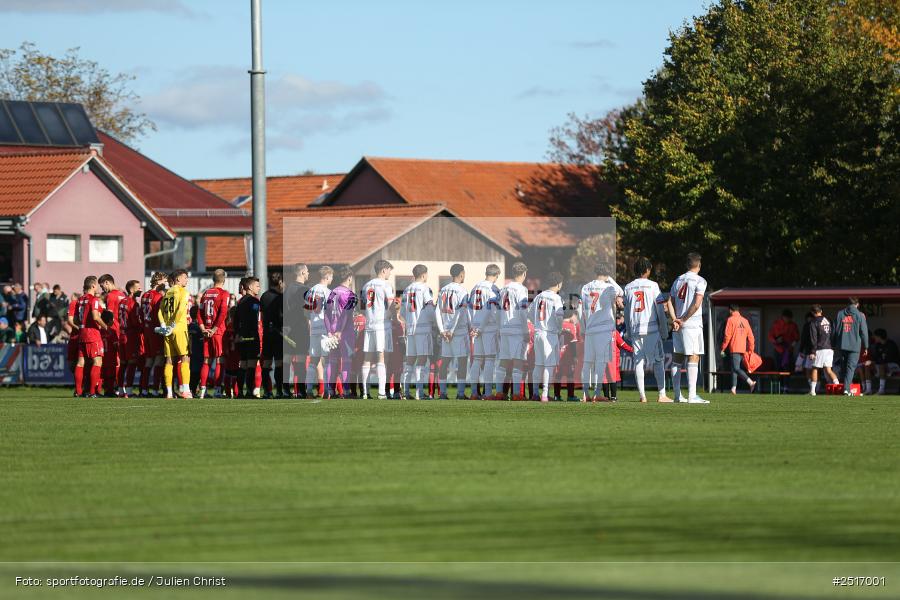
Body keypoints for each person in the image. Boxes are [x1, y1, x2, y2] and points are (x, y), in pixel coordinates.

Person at [623, 257, 672, 403]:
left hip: (635, 329)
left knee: (638, 362)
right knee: (658, 361)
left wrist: (628, 331)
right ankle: (662, 395)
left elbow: (626, 312)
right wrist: (664, 330)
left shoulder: (628, 287)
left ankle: (642, 396)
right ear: (647, 270)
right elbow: (660, 310)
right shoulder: (653, 286)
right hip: (652, 329)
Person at [666, 252, 709, 404]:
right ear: (699, 265)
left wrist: (675, 320)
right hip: (691, 324)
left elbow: (669, 301)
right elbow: (696, 304)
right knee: (694, 356)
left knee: (677, 358)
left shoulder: (678, 280)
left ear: (686, 265)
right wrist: (683, 319)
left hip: (678, 324)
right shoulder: (700, 280)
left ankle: (677, 396)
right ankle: (692, 395)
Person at [578, 262, 623, 402]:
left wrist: (583, 328)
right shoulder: (609, 287)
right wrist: (610, 279)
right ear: (607, 273)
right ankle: (597, 394)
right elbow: (621, 292)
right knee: (600, 362)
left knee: (587, 363)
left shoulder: (585, 287)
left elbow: (580, 310)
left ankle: (585, 394)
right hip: (603, 329)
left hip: (590, 329)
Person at [491, 262, 530, 400]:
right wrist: (526, 331)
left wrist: (499, 327)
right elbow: (523, 312)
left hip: (504, 328)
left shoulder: (503, 289)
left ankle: (499, 392)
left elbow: (497, 311)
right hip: (516, 329)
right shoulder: (522, 289)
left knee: (503, 361)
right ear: (524, 274)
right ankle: (516, 394)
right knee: (518, 361)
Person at [399, 264, 435, 400]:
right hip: (423, 328)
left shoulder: (406, 290)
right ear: (424, 275)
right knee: (422, 359)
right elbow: (430, 309)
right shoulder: (425, 288)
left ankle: (405, 391)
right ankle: (419, 392)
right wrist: (434, 322)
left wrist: (409, 320)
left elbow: (402, 312)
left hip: (410, 329)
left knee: (410, 360)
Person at [360, 260, 395, 399]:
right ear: (384, 270)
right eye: (389, 270)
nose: (390, 273)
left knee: (367, 357)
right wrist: (393, 316)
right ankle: (381, 392)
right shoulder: (386, 285)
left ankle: (365, 392)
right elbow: (391, 305)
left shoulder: (365, 285)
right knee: (381, 357)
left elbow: (362, 308)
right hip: (382, 325)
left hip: (369, 325)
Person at [466, 264, 501, 400]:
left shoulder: (475, 287)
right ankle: (487, 393)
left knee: (477, 360)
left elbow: (469, 308)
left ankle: (474, 393)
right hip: (488, 327)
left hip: (475, 327)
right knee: (490, 360)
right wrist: (480, 328)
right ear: (496, 275)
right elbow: (490, 310)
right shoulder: (493, 288)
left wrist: (473, 326)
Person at [528, 272, 564, 402]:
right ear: (559, 284)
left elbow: (529, 313)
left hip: (538, 332)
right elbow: (559, 316)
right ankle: (545, 394)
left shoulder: (539, 296)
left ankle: (535, 393)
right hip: (549, 334)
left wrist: (537, 323)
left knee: (538, 364)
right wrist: (559, 329)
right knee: (549, 365)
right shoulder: (556, 298)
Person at [436, 264, 469, 400]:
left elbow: (437, 311)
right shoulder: (462, 291)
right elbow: (460, 312)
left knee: (445, 362)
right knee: (462, 361)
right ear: (461, 274)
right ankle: (460, 393)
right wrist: (452, 331)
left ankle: (443, 393)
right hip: (458, 332)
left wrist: (442, 330)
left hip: (445, 332)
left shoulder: (443, 290)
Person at [324, 266, 358, 399]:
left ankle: (330, 390)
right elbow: (347, 314)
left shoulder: (332, 293)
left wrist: (329, 331)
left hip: (332, 331)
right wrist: (340, 330)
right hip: (345, 332)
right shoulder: (350, 294)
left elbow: (326, 314)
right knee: (346, 361)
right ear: (349, 278)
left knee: (332, 361)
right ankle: (346, 390)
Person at [158, 269, 192, 399]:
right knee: (185, 357)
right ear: (178, 279)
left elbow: (160, 311)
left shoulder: (167, 293)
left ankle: (169, 392)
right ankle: (186, 391)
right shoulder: (183, 292)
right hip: (179, 328)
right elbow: (181, 309)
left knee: (169, 360)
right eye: (185, 277)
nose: (187, 280)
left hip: (167, 330)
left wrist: (163, 325)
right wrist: (173, 325)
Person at [196, 269, 230, 398]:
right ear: (224, 279)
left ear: (213, 279)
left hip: (206, 332)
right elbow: (223, 313)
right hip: (218, 332)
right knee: (219, 360)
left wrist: (203, 328)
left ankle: (202, 390)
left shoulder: (206, 293)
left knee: (206, 361)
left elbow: (199, 313)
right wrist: (215, 329)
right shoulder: (224, 293)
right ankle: (217, 390)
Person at [74, 276, 107, 398]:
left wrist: (83, 324)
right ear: (93, 286)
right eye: (96, 285)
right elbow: (95, 317)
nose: (97, 287)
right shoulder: (94, 299)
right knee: (97, 361)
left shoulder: (80, 300)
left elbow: (76, 319)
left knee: (80, 362)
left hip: (82, 333)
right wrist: (105, 326)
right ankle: (92, 392)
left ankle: (78, 391)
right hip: (92, 334)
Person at [304, 266, 334, 399]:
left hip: (314, 329)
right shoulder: (328, 292)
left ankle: (309, 390)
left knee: (313, 361)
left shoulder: (310, 291)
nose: (331, 279)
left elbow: (306, 312)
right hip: (325, 329)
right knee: (327, 361)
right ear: (327, 276)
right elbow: (331, 313)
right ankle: (327, 391)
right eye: (331, 276)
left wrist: (310, 324)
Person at [283, 263, 310, 398]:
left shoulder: (287, 289)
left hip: (287, 329)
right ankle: (301, 391)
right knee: (301, 360)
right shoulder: (305, 289)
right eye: (307, 271)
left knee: (287, 360)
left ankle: (285, 390)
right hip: (300, 328)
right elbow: (308, 310)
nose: (308, 274)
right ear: (302, 273)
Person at [139, 272, 168, 397]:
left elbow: (141, 314)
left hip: (146, 330)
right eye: (164, 281)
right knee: (159, 360)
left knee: (149, 361)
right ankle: (155, 390)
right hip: (156, 330)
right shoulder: (158, 296)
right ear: (158, 281)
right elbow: (160, 314)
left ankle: (144, 389)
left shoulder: (145, 295)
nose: (166, 284)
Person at [833, 297, 869, 395]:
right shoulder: (860, 315)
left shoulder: (840, 314)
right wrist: (866, 346)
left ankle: (846, 388)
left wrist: (833, 344)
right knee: (850, 368)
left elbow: (835, 331)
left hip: (842, 345)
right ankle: (846, 389)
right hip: (854, 346)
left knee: (844, 367)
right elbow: (864, 332)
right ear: (857, 304)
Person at [234, 276, 263, 398]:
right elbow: (253, 319)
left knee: (243, 365)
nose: (259, 288)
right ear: (250, 287)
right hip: (251, 336)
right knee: (251, 365)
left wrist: (238, 334)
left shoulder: (240, 301)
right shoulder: (255, 301)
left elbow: (236, 320)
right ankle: (250, 392)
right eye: (257, 286)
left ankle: (240, 392)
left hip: (242, 336)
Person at [99, 274, 127, 396]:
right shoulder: (122, 294)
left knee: (110, 362)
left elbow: (109, 316)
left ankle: (109, 389)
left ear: (107, 282)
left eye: (102, 286)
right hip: (122, 331)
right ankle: (120, 388)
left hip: (112, 331)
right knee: (120, 362)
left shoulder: (111, 295)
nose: (102, 289)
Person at [719, 304, 757, 394]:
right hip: (743, 349)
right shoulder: (745, 321)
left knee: (736, 368)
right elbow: (751, 337)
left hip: (734, 348)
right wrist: (751, 350)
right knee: (734, 368)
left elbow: (727, 336)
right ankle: (733, 388)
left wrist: (723, 348)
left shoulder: (730, 320)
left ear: (730, 310)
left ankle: (751, 382)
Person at [260, 271, 285, 398]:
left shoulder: (264, 296)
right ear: (280, 282)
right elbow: (282, 316)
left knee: (266, 363)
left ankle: (267, 391)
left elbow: (262, 315)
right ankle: (279, 391)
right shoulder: (280, 297)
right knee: (279, 363)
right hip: (279, 333)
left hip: (267, 334)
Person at [807, 304, 840, 395]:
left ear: (813, 313)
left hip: (820, 348)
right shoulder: (828, 320)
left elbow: (813, 338)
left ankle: (812, 391)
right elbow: (834, 333)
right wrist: (833, 346)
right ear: (821, 311)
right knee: (829, 370)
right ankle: (838, 387)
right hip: (829, 348)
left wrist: (813, 351)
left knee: (815, 368)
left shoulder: (814, 322)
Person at [119, 280, 143, 398]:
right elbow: (135, 322)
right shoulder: (134, 304)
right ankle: (128, 391)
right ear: (131, 289)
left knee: (123, 364)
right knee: (132, 363)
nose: (140, 290)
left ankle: (120, 390)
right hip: (131, 336)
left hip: (122, 335)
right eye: (138, 288)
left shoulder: (122, 301)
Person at [768, 309, 799, 391]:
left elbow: (796, 338)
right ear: (783, 317)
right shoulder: (776, 324)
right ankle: (780, 387)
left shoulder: (793, 325)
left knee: (787, 369)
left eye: (789, 318)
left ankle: (786, 387)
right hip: (778, 350)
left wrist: (792, 346)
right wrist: (776, 340)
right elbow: (770, 336)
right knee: (778, 368)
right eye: (786, 318)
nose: (787, 320)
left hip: (788, 351)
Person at [871, 329, 900, 395]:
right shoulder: (878, 345)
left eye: (875, 336)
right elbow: (876, 358)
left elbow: (891, 358)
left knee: (882, 366)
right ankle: (868, 389)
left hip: (894, 365)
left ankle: (881, 390)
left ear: (879, 336)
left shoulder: (891, 344)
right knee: (869, 365)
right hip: (883, 366)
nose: (874, 338)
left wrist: (881, 363)